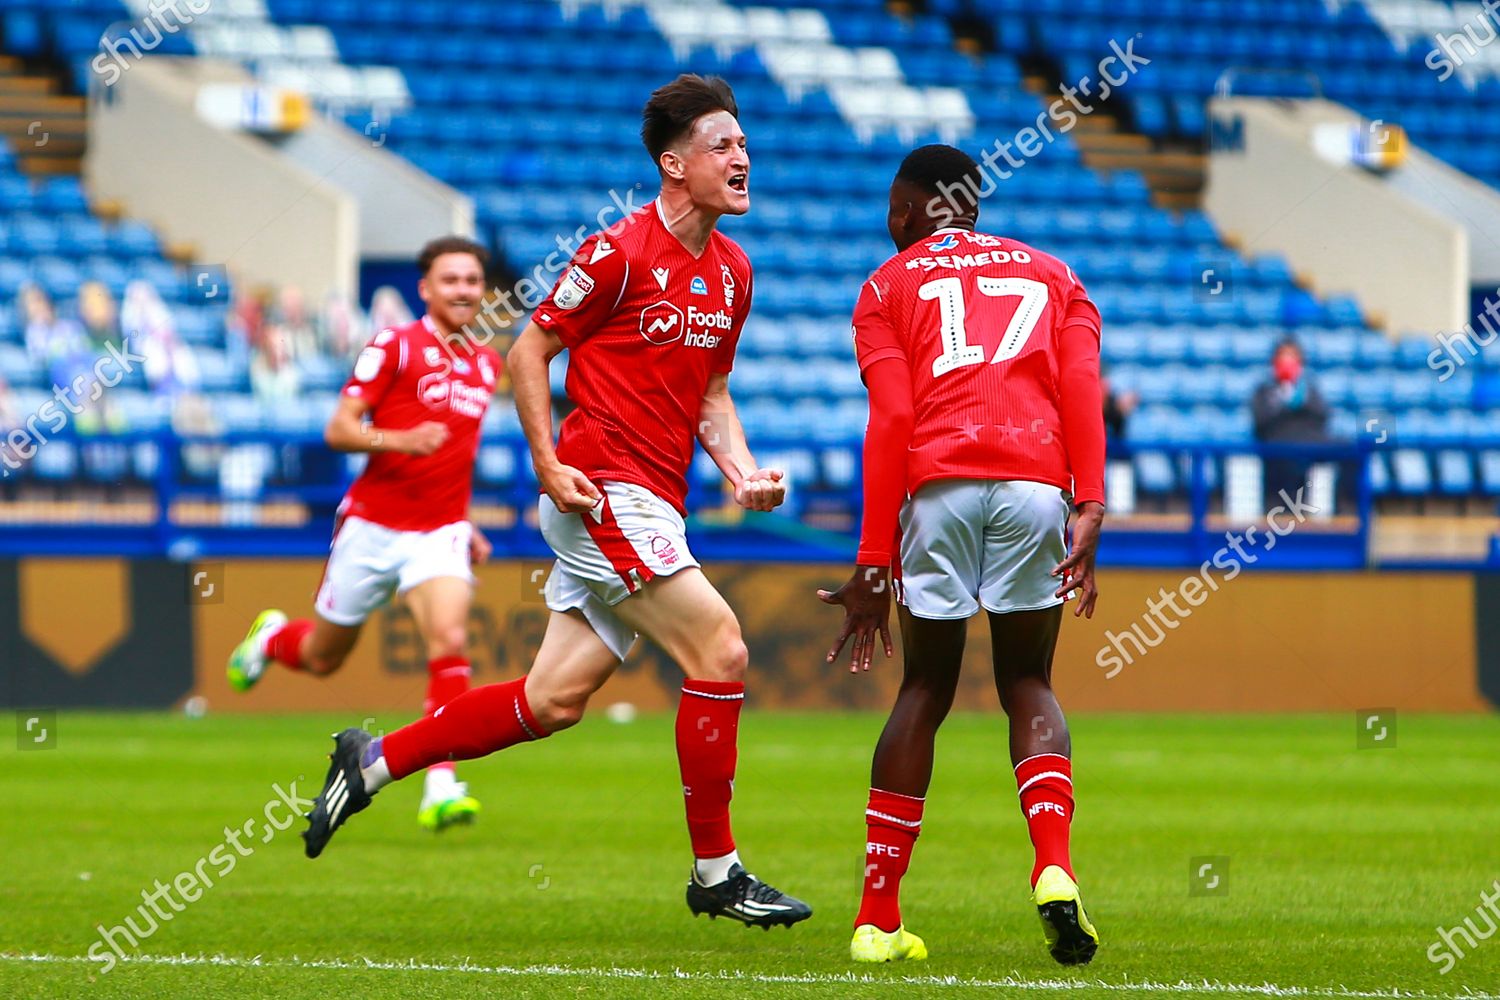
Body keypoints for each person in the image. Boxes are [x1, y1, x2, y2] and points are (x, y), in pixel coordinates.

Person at [295, 74, 812, 931]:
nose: (743, 158)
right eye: (725, 145)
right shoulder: (616, 251)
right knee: (720, 648)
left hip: (656, 497)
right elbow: (528, 353)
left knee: (552, 702)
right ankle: (717, 873)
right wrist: (544, 460)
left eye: (745, 144)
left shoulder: (734, 273)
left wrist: (740, 469)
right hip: (601, 485)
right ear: (674, 164)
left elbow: (713, 396)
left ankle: (373, 762)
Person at [818, 145, 1105, 965]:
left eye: (891, 209)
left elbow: (893, 421)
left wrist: (875, 562)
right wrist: (1090, 502)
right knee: (1028, 681)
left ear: (908, 213)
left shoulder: (885, 285)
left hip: (937, 486)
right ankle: (1053, 867)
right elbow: (1081, 389)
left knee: (924, 688)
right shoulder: (1056, 275)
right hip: (1033, 482)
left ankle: (877, 918)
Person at [227, 236, 500, 833]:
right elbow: (339, 429)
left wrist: (464, 520)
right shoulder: (394, 346)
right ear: (425, 289)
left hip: (439, 531)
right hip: (372, 527)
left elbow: (457, 456)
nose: (463, 290)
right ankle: (271, 638)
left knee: (449, 637)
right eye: (450, 280)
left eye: (472, 281)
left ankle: (441, 784)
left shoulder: (486, 362)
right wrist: (399, 440)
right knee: (323, 657)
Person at [1251, 337, 1328, 502]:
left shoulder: (1308, 391)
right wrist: (1283, 405)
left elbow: (1323, 416)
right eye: (1283, 356)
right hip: (1276, 454)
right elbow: (1259, 422)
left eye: (1292, 356)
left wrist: (1301, 402)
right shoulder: (1264, 391)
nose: (1287, 361)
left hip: (1307, 451)